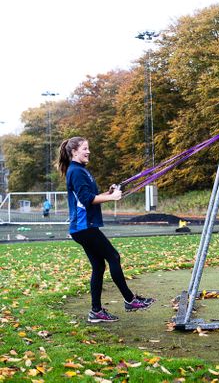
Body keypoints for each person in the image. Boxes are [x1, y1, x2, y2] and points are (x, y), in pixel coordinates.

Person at [57, 136, 155, 323]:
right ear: (74, 152)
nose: (88, 151)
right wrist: (112, 198)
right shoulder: (76, 172)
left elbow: (89, 196)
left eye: (88, 148)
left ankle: (96, 312)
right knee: (113, 257)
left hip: (83, 227)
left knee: (99, 265)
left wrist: (108, 194)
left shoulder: (81, 171)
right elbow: (86, 200)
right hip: (84, 227)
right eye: (85, 148)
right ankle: (130, 300)